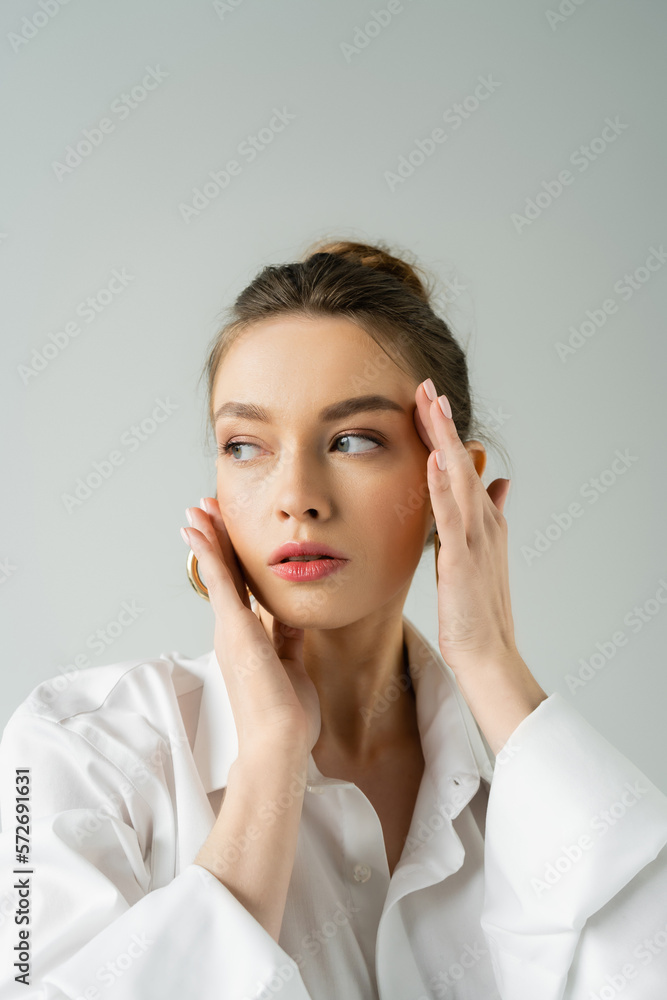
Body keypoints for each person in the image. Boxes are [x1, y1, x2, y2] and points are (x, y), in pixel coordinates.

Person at [1, 240, 666, 1000]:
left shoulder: (526, 820)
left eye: (353, 440)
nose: (296, 497)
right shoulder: (77, 749)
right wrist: (270, 764)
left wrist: (491, 664)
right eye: (245, 446)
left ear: (451, 485)